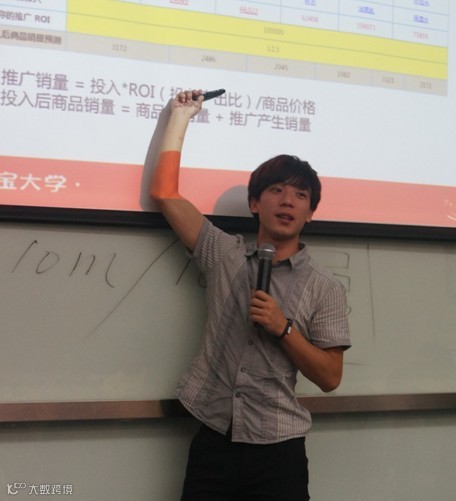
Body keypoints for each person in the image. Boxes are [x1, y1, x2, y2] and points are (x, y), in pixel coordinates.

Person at [150, 90, 351, 501]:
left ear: (310, 213)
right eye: (276, 190)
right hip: (214, 438)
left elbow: (330, 377)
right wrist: (180, 116)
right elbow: (165, 194)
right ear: (255, 203)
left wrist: (284, 329)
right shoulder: (224, 254)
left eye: (300, 196)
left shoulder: (324, 286)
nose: (288, 201)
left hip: (279, 449)